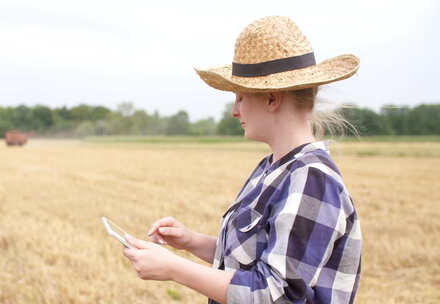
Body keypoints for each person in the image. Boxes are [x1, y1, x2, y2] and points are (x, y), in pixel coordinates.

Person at [122, 16, 362, 304]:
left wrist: (175, 268)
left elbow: (276, 294)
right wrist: (190, 241)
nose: (235, 111)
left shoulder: (312, 179)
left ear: (272, 99)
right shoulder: (272, 168)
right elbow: (252, 264)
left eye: (240, 98)